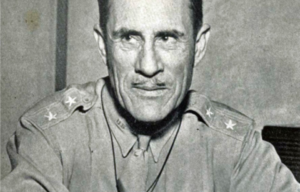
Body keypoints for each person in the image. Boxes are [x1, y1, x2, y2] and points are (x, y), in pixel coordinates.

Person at [1, 0, 299, 191]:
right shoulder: (52, 136)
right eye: (129, 38)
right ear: (103, 44)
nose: (148, 66)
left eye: (167, 38)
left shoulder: (236, 148)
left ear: (198, 45)